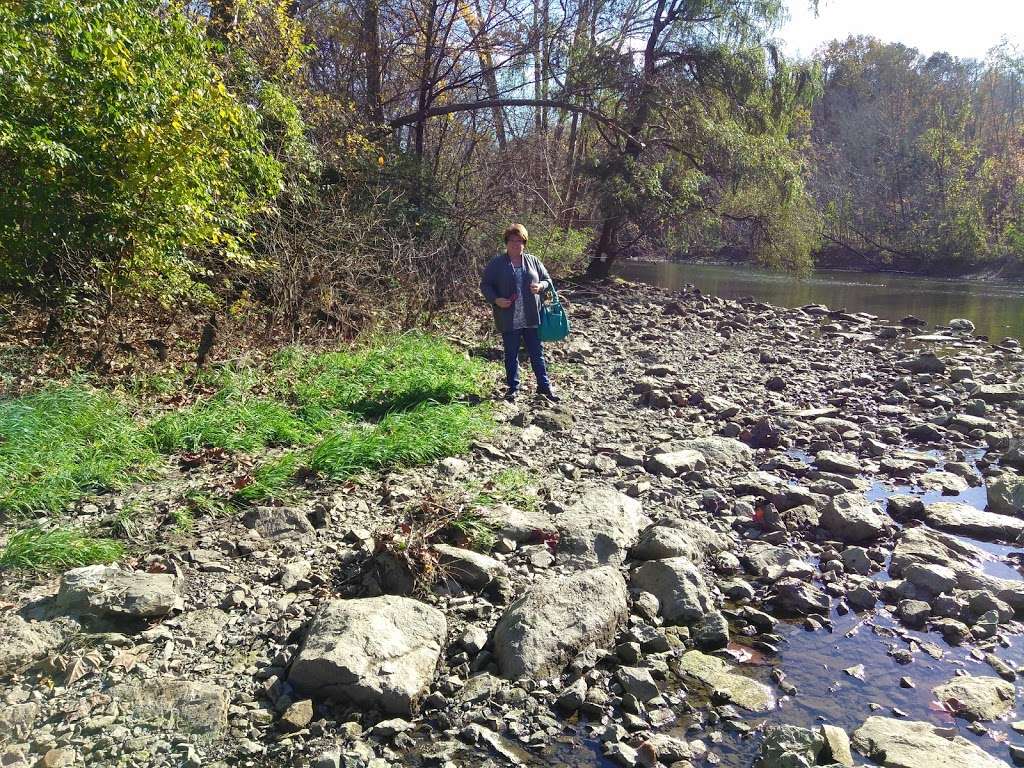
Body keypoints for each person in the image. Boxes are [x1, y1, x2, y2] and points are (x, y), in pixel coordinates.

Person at [479, 223, 561, 402]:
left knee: (537, 353)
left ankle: (544, 387)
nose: (516, 244)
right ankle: (513, 388)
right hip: (509, 317)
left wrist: (540, 286)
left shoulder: (533, 261)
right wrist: (496, 299)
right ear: (506, 242)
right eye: (512, 240)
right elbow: (485, 285)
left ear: (525, 243)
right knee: (511, 354)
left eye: (520, 241)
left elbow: (548, 280)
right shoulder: (497, 263)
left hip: (531, 316)